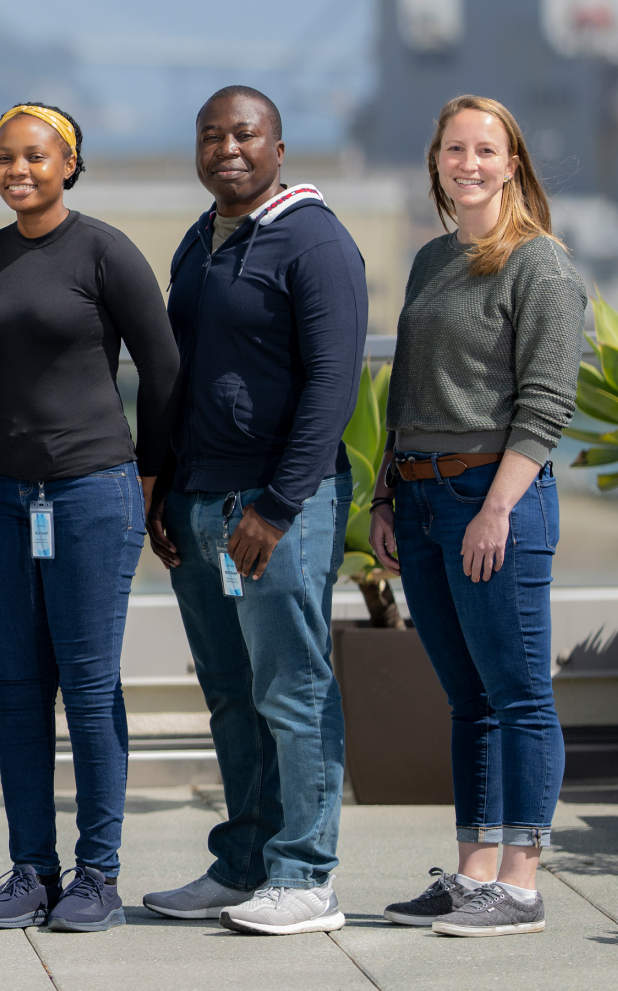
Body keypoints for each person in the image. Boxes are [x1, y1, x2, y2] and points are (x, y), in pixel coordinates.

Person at [144, 86, 368, 936]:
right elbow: (176, 376)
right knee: (233, 693)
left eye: (245, 134)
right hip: (202, 503)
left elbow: (331, 386)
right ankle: (244, 863)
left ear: (279, 147)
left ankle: (307, 876)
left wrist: (277, 507)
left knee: (294, 688)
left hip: (277, 507)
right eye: (211, 135)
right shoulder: (199, 243)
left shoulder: (315, 241)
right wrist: (160, 484)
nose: (227, 148)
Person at [369, 95, 585, 939]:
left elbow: (545, 403)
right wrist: (387, 495)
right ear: (436, 163)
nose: (468, 163)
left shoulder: (540, 266)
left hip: (494, 498)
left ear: (513, 163)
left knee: (521, 696)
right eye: (453, 149)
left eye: (485, 150)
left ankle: (521, 888)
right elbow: (409, 392)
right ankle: (471, 877)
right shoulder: (429, 263)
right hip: (422, 499)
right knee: (469, 700)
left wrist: (497, 509)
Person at [0, 103, 180, 934]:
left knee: (89, 689)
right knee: (18, 690)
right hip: (1, 494)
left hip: (94, 492)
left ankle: (99, 878)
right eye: (6, 157)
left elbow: (162, 370)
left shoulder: (105, 250)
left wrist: (149, 475)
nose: (19, 170)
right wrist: (22, 447)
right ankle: (31, 870)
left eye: (37, 157)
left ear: (70, 164)